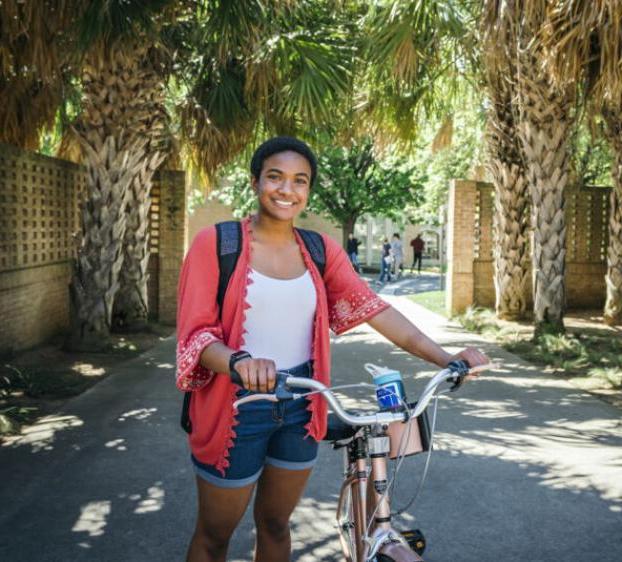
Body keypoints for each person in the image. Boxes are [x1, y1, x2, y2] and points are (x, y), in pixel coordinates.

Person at [175, 136, 489, 562]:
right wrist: (239, 362)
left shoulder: (320, 251)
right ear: (255, 182)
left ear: (308, 190)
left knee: (275, 524)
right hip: (235, 406)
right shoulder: (217, 244)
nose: (287, 190)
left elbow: (376, 310)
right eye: (275, 177)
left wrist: (448, 358)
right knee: (214, 535)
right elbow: (196, 335)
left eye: (299, 181)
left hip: (302, 405)